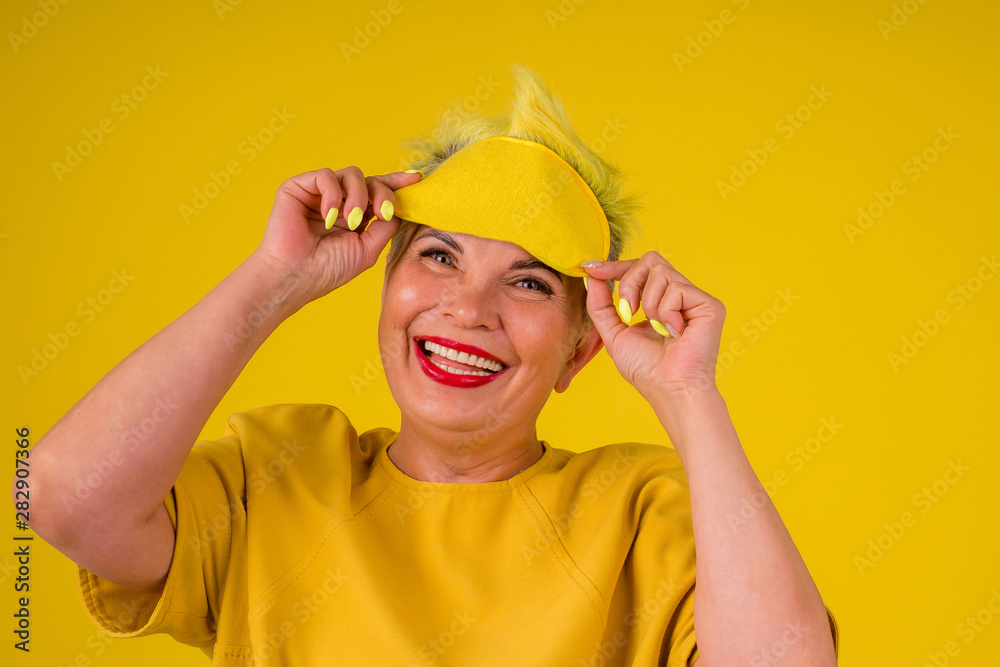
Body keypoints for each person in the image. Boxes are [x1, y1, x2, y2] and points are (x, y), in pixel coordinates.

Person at [21, 64, 839, 665]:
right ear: (386, 288)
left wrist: (688, 392)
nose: (469, 307)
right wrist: (271, 281)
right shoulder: (278, 474)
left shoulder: (638, 514)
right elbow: (61, 496)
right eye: (440, 256)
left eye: (527, 281)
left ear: (580, 347)